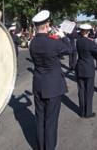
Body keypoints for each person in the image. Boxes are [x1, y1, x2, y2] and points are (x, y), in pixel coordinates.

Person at [29, 10, 71, 150]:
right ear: (47, 25)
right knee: (51, 121)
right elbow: (70, 49)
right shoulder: (53, 43)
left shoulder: (32, 43)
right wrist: (63, 36)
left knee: (40, 119)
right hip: (53, 86)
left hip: (38, 84)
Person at [75, 24, 97, 118]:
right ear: (87, 31)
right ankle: (88, 112)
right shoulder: (90, 43)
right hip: (88, 68)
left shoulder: (78, 41)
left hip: (80, 67)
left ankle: (82, 111)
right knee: (89, 91)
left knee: (81, 90)